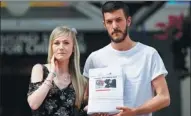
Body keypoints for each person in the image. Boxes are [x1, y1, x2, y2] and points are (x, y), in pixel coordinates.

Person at [83, 1, 170, 116]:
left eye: (118, 20)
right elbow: (86, 98)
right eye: (109, 22)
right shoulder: (94, 58)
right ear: (104, 24)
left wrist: (135, 112)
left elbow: (164, 97)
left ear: (128, 21)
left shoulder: (149, 54)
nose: (114, 26)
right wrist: (94, 109)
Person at [27, 26, 88, 116]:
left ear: (73, 48)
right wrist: (51, 74)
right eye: (56, 43)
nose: (61, 47)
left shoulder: (81, 80)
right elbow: (33, 104)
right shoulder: (39, 69)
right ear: (51, 47)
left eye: (66, 43)